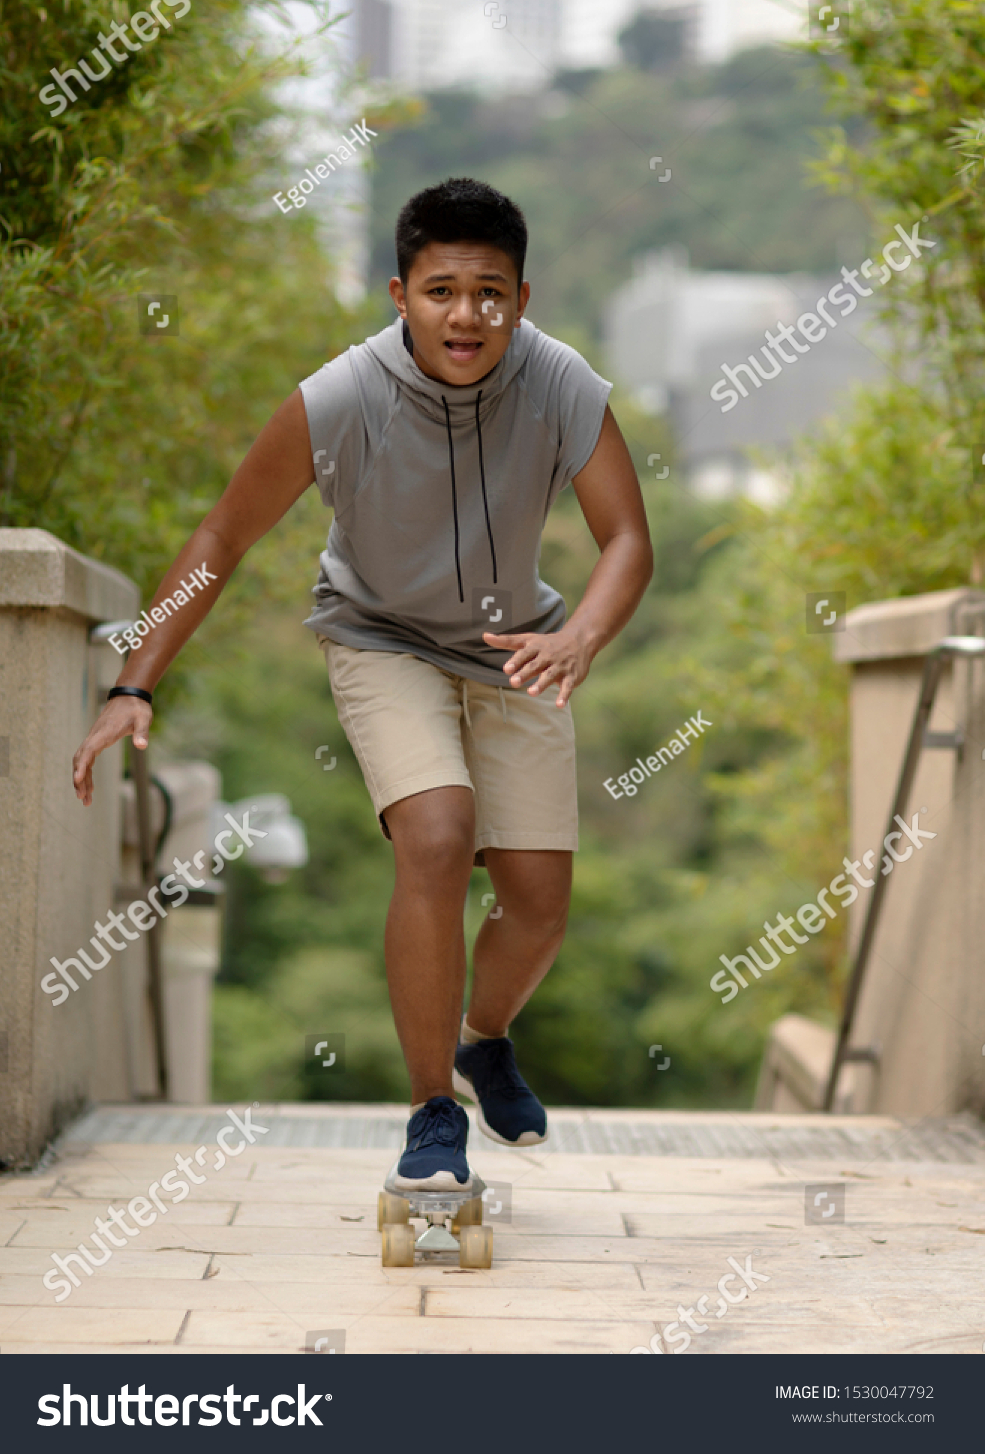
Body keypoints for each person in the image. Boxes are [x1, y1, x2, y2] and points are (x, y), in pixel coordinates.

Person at [73, 177, 654, 1191]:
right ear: (399, 293)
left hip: (519, 648)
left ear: (522, 296)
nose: (464, 314)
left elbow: (627, 541)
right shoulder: (341, 395)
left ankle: (483, 1039)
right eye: (440, 290)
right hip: (378, 637)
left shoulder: (561, 382)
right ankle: (434, 1111)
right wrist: (135, 684)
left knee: (537, 908)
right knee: (434, 833)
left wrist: (583, 640)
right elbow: (222, 537)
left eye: (489, 292)